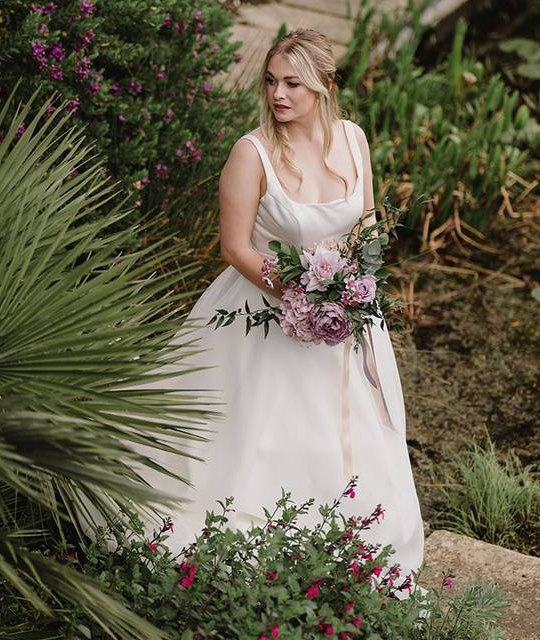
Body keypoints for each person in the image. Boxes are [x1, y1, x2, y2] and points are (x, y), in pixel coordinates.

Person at [99, 28, 424, 578]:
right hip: (264, 311)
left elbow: (367, 221)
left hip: (347, 312)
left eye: (293, 83)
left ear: (323, 84)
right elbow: (234, 247)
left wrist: (352, 285)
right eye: (272, 81)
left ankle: (352, 538)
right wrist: (299, 292)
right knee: (264, 435)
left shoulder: (353, 138)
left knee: (355, 433)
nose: (278, 94)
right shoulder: (251, 154)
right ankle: (269, 546)